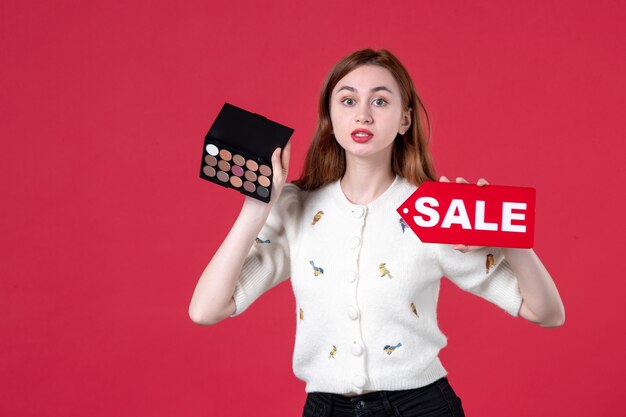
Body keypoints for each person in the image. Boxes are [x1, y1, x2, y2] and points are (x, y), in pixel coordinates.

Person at [189, 49, 565, 417]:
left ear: (404, 120)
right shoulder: (295, 208)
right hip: (325, 408)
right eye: (348, 100)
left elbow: (547, 313)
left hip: (420, 406)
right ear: (330, 118)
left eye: (380, 101)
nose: (363, 115)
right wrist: (258, 207)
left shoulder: (433, 209)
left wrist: (509, 237)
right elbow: (206, 309)